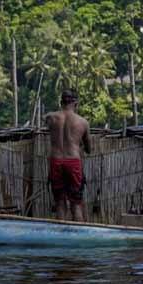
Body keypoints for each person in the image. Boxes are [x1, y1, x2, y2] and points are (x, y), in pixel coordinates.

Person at [46, 89, 91, 221]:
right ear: (76, 104)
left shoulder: (51, 118)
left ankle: (61, 236)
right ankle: (79, 238)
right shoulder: (83, 122)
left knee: (59, 202)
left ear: (61, 102)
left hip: (56, 160)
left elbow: (46, 118)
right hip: (73, 161)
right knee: (76, 204)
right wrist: (79, 145)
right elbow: (89, 149)